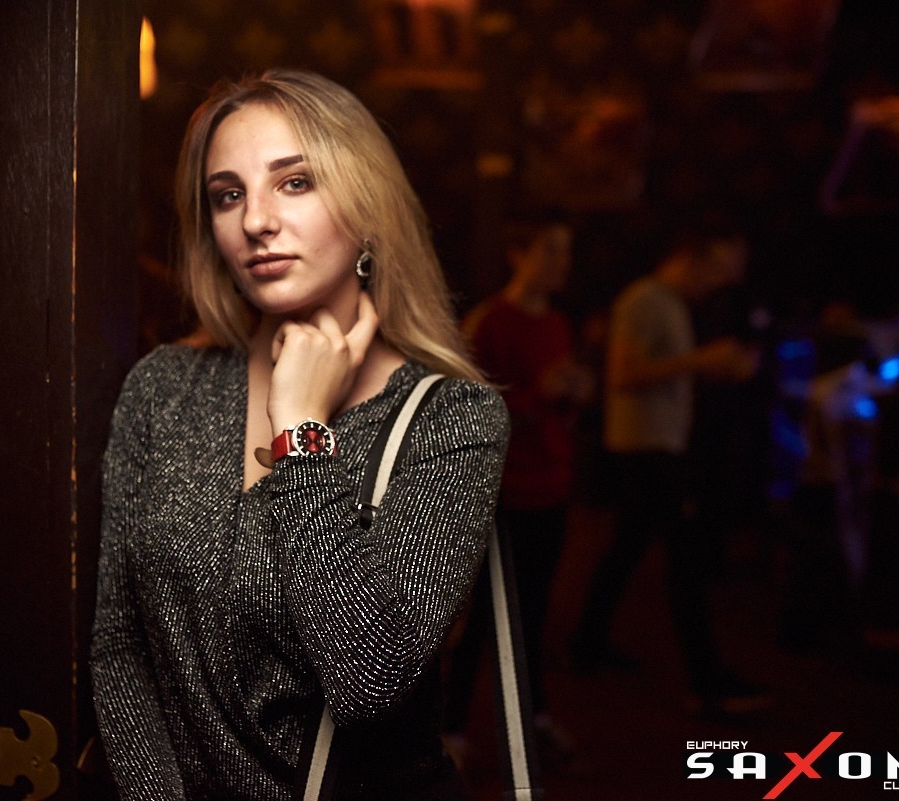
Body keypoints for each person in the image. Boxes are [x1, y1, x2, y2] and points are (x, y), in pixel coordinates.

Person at [90, 69, 509, 800]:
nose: (256, 220)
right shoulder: (164, 387)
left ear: (368, 206)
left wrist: (303, 431)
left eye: (295, 182)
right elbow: (120, 645)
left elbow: (369, 678)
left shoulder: (453, 417)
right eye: (228, 195)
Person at [568, 228, 769, 716]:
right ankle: (706, 680)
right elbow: (623, 376)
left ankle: (587, 644)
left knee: (627, 550)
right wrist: (702, 360)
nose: (718, 284)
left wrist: (712, 367)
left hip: (653, 445)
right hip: (647, 448)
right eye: (717, 270)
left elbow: (658, 371)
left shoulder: (668, 303)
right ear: (690, 257)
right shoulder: (645, 300)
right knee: (685, 560)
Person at [447, 214, 591, 769]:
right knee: (485, 614)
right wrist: (537, 397)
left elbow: (557, 412)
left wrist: (573, 396)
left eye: (566, 252)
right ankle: (452, 727)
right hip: (503, 491)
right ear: (519, 254)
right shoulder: (489, 323)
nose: (561, 263)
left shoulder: (556, 323)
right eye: (550, 250)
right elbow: (467, 415)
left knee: (534, 610)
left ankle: (533, 717)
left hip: (551, 485)